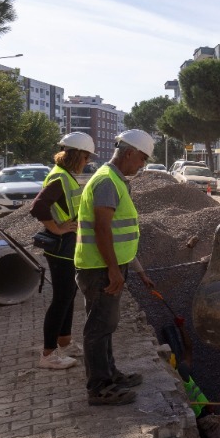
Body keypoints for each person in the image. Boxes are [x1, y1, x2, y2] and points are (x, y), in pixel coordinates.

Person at [74, 129, 157, 406]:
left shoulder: (116, 181)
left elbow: (121, 232)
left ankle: (110, 374)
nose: (142, 165)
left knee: (106, 324)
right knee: (98, 327)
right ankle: (99, 387)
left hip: (108, 265)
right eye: (142, 158)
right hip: (100, 269)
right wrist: (112, 269)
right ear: (130, 153)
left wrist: (139, 271)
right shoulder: (107, 182)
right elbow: (102, 228)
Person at [29, 132, 95, 370]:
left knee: (68, 297)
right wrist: (56, 229)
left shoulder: (64, 176)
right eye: (86, 157)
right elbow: (38, 206)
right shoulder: (59, 177)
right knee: (61, 299)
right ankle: (48, 354)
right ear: (77, 155)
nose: (87, 162)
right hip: (60, 248)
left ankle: (64, 343)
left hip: (67, 246)